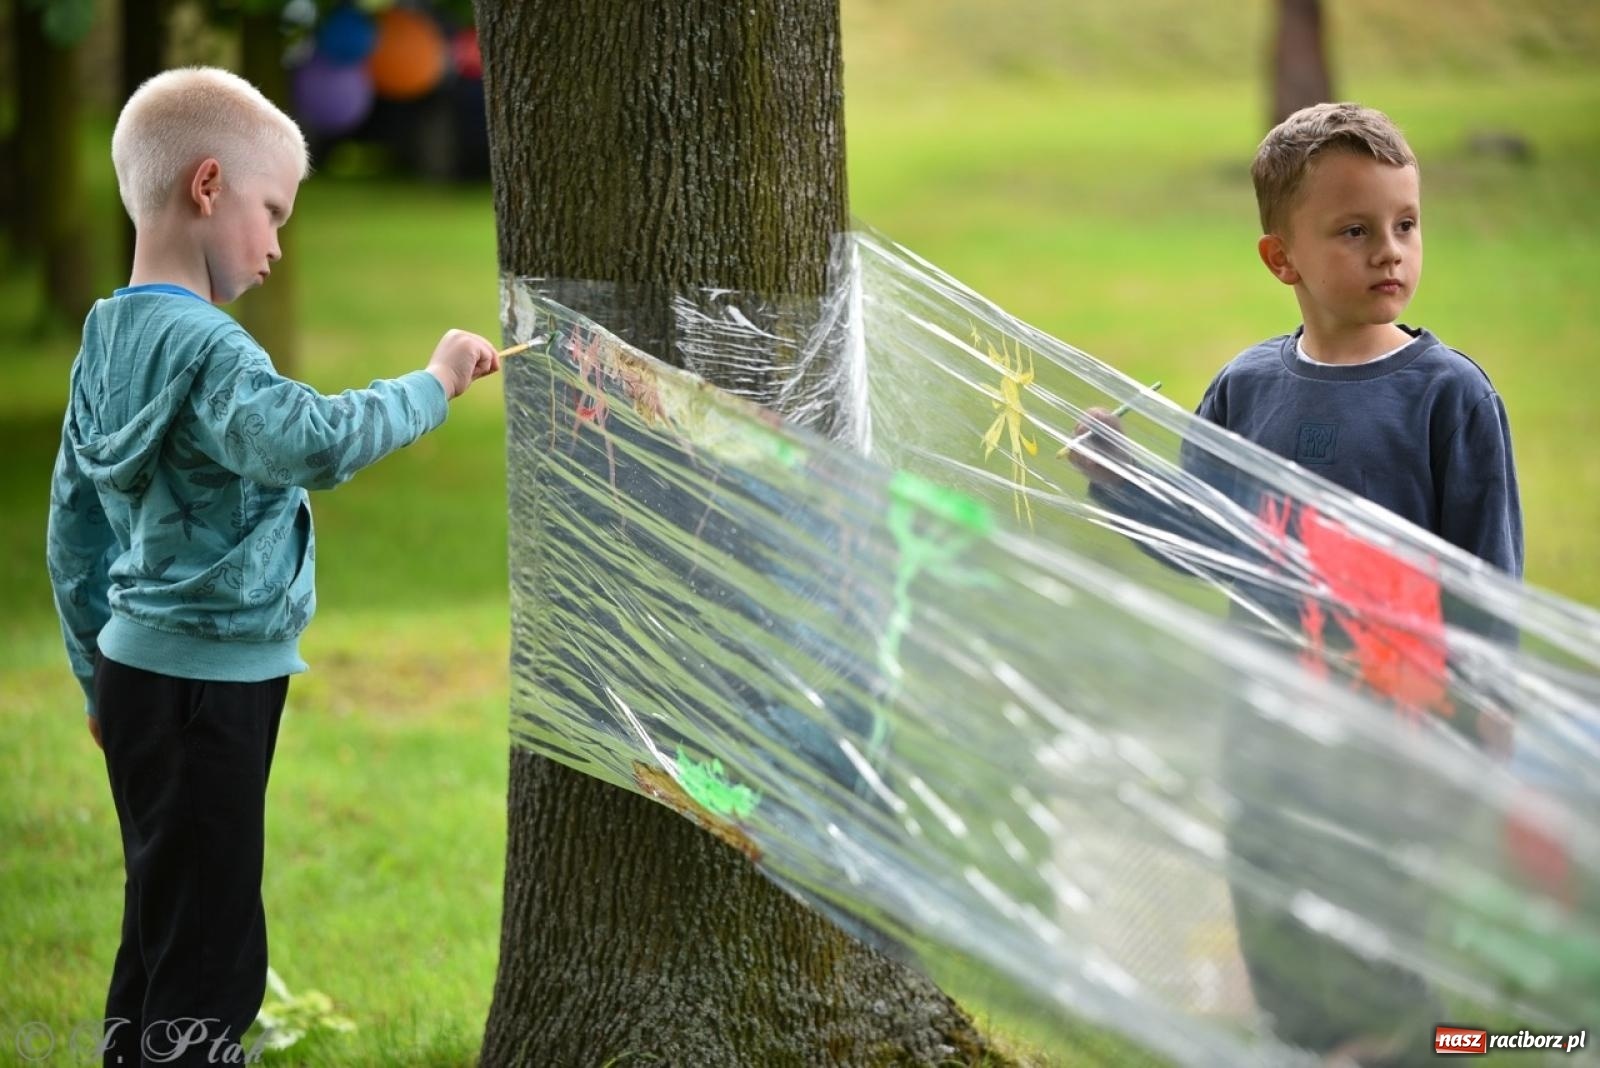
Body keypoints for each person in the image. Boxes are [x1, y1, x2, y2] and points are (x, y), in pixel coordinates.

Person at [45, 67, 501, 1066]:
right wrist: (432, 383)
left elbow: (72, 527)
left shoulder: (105, 340)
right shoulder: (213, 352)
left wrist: (93, 671)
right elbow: (311, 441)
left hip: (134, 675)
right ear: (208, 186)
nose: (277, 243)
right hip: (211, 684)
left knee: (161, 917)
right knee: (212, 941)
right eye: (273, 211)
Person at [1069, 102, 1524, 1066]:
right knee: (1276, 903)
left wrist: (1488, 705)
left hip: (1397, 734)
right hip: (1271, 725)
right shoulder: (1249, 389)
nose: (1389, 252)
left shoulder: (1450, 397)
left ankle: (1410, 1050)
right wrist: (1123, 481)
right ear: (1283, 259)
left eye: (1406, 225)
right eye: (1354, 231)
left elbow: (1488, 571)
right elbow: (1208, 538)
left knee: (1395, 927)